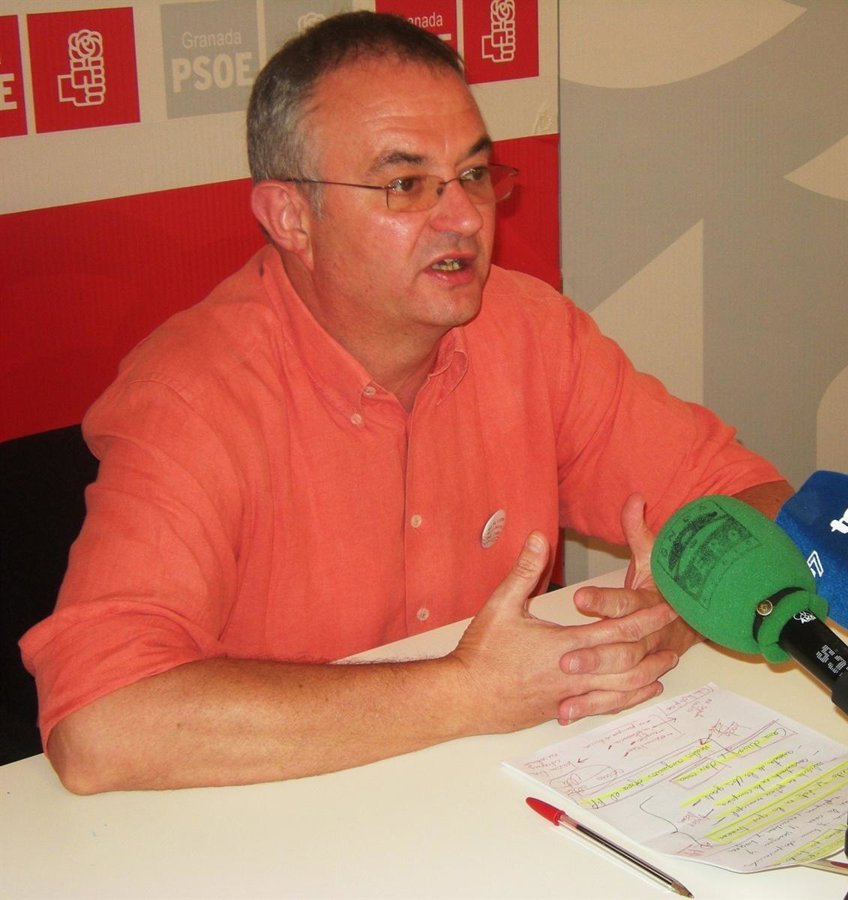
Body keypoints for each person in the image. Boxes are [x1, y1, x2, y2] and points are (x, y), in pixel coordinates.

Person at [20, 12, 791, 794]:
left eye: (474, 174)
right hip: (278, 814)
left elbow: (754, 495)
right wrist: (465, 693)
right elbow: (101, 725)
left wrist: (678, 611)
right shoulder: (191, 396)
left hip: (494, 794)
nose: (464, 219)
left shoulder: (531, 330)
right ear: (291, 217)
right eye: (405, 185)